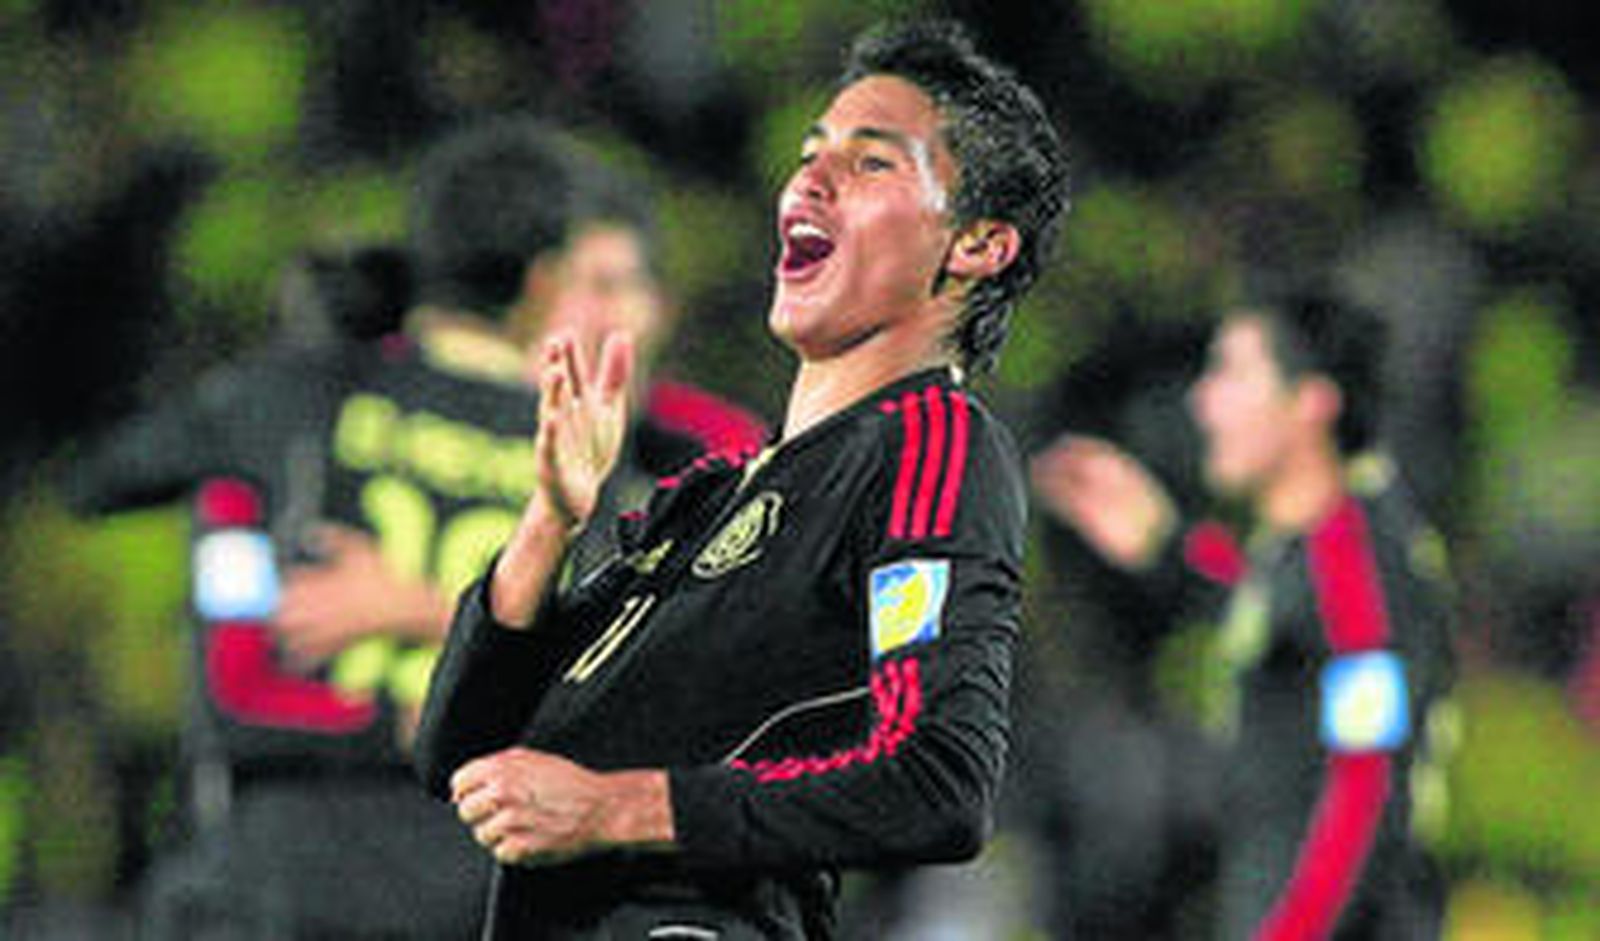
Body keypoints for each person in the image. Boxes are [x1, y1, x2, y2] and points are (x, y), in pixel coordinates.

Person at [412, 18, 1070, 939]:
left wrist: (615, 809)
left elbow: (940, 780)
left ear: (976, 244)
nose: (810, 180)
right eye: (811, 153)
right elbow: (462, 755)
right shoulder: (711, 495)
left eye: (871, 162)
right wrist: (551, 521)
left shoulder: (931, 442)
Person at [65, 117, 763, 939]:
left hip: (272, 881)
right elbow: (624, 692)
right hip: (475, 890)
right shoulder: (593, 466)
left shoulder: (292, 403)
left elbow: (225, 672)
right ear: (545, 280)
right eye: (593, 282)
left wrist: (415, 619)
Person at [1031, 289, 1456, 939]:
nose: (1204, 401)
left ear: (1310, 403)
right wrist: (1166, 544)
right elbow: (1274, 616)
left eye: (1230, 373)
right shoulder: (1313, 550)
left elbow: (1366, 783)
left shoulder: (1357, 559)